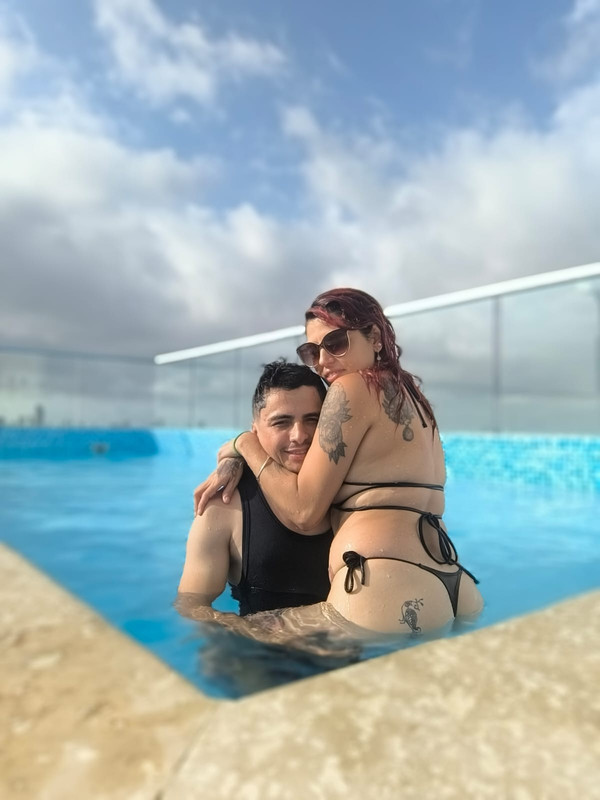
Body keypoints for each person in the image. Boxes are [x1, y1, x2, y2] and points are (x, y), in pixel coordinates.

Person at [196, 288, 483, 637]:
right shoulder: (417, 400)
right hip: (454, 585)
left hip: (384, 584)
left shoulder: (351, 388)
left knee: (236, 633)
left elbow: (303, 510)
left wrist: (243, 443)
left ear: (374, 337)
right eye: (311, 351)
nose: (322, 361)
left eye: (335, 343)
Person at [176, 360, 333, 620]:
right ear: (255, 431)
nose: (299, 435)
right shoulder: (224, 506)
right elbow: (192, 608)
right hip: (256, 646)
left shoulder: (354, 490)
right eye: (281, 422)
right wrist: (267, 631)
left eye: (312, 420)